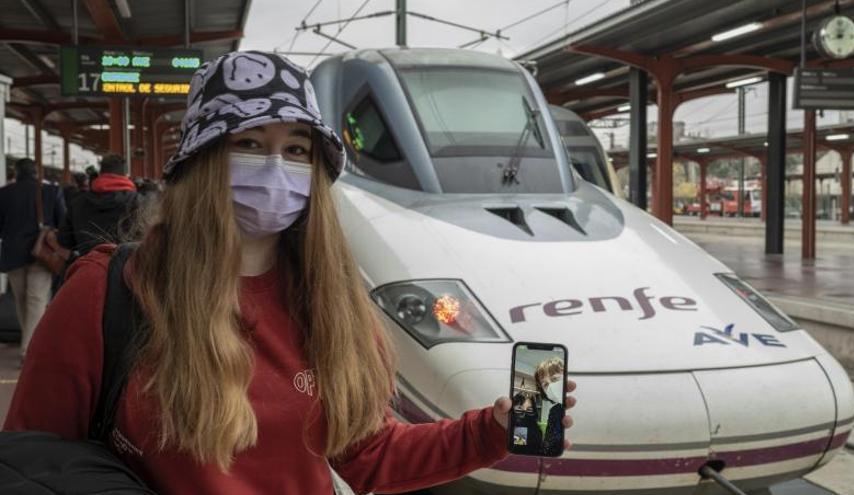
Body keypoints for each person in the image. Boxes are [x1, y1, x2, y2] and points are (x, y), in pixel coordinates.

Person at [4, 51, 576, 494]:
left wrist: (492, 430)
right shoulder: (108, 293)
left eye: (298, 150)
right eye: (249, 144)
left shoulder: (331, 303)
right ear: (200, 164)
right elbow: (35, 462)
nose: (277, 168)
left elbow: (367, 453)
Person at [0, 158, 66, 361]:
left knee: (21, 300)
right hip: (41, 252)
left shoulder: (4, 193)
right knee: (36, 300)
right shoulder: (50, 191)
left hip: (13, 253)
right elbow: (62, 220)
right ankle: (29, 350)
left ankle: (28, 346)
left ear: (16, 172)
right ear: (37, 173)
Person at [57, 155, 140, 257]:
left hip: (88, 267)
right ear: (126, 175)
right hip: (126, 269)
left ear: (101, 174)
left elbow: (64, 240)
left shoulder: (78, 202)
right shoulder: (138, 202)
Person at [535, 356, 566, 456]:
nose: (551, 387)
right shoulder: (553, 410)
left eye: (555, 379)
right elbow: (548, 441)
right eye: (545, 384)